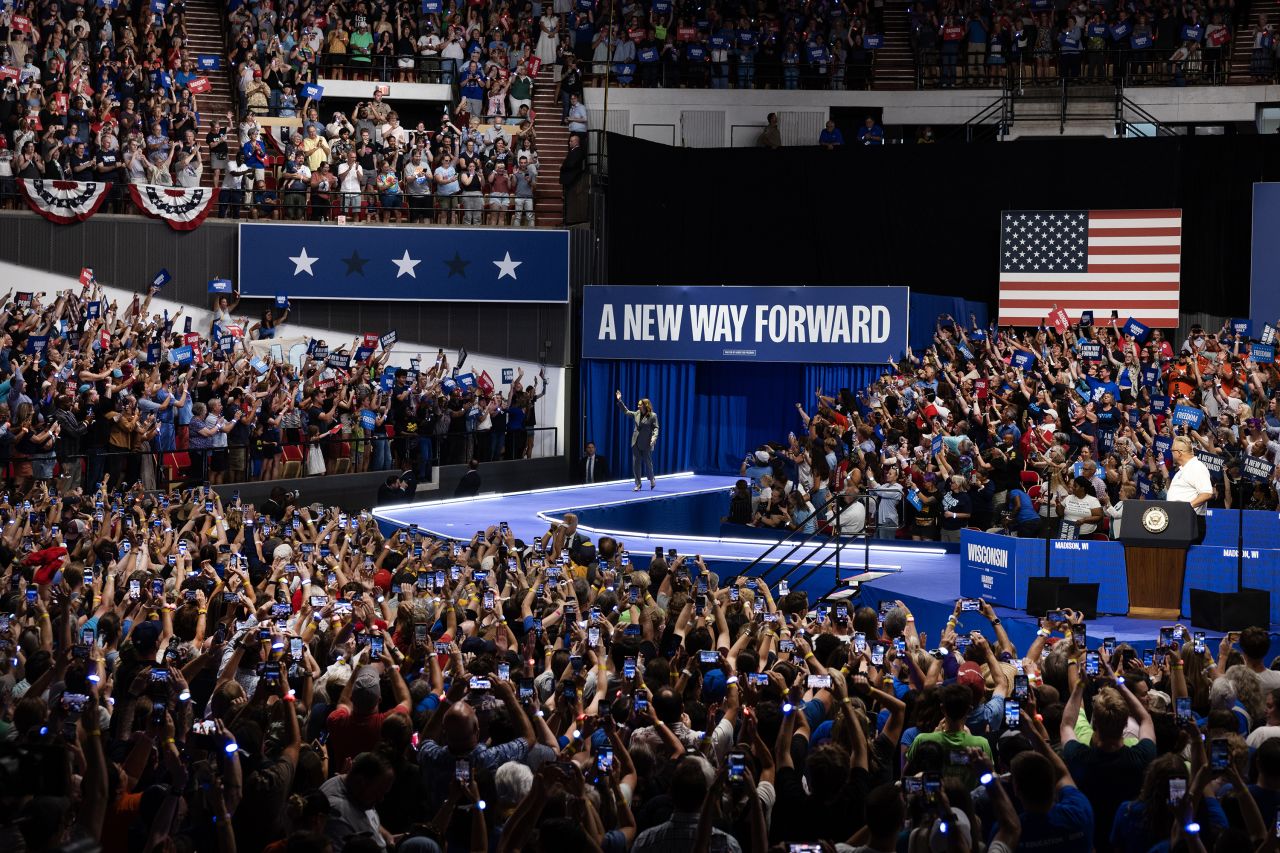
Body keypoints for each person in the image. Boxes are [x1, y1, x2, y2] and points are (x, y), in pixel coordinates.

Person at [1168, 436, 1213, 541]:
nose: (1171, 453)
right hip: (1179, 519)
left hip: (1189, 520)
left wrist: (1185, 508)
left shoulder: (1196, 467)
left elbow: (1207, 493)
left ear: (1179, 452)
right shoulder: (1183, 469)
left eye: (1172, 450)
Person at [615, 390, 659, 491]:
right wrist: (620, 400)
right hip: (635, 442)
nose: (638, 406)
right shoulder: (637, 413)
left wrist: (653, 439)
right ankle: (638, 484)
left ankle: (652, 479)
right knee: (636, 464)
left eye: (640, 405)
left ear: (645, 405)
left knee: (648, 463)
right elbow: (626, 411)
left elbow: (656, 428)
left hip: (647, 443)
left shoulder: (652, 416)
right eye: (638, 405)